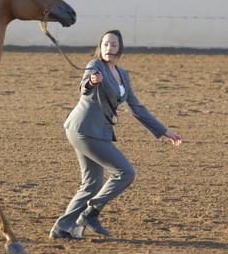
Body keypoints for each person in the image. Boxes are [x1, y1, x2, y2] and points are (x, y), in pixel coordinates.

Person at [49, 30, 182, 240]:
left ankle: (62, 227)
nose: (109, 49)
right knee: (125, 172)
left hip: (94, 131)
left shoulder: (123, 74)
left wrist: (163, 130)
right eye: (105, 45)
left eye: (113, 45)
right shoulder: (95, 66)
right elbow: (84, 88)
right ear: (100, 47)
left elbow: (136, 107)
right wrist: (91, 82)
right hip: (83, 129)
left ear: (120, 47)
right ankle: (91, 212)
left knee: (91, 184)